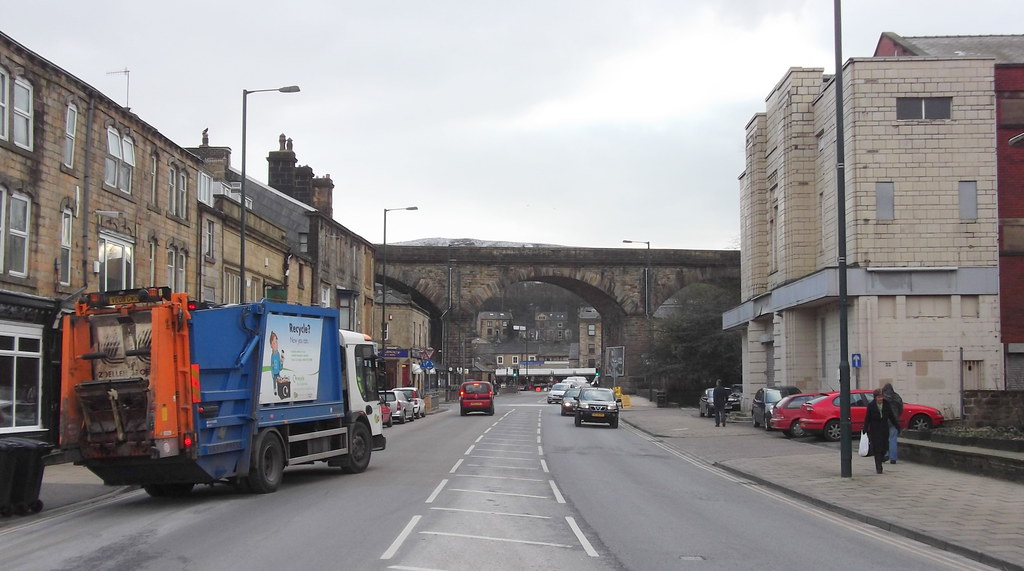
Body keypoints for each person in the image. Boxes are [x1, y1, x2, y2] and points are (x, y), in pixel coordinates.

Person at [862, 388, 900, 474]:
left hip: (884, 428)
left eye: (881, 397)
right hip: (875, 429)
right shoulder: (871, 406)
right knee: (877, 449)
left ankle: (882, 457)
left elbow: (891, 416)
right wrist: (865, 428)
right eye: (879, 397)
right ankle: (878, 467)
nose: (880, 399)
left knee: (884, 447)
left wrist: (897, 426)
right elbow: (867, 418)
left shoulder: (886, 404)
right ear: (875, 397)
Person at [882, 382, 904, 464]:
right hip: (894, 420)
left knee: (884, 439)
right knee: (893, 439)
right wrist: (897, 416)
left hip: (884, 421)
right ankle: (893, 458)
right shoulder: (896, 397)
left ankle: (886, 454)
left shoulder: (882, 397)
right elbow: (901, 408)